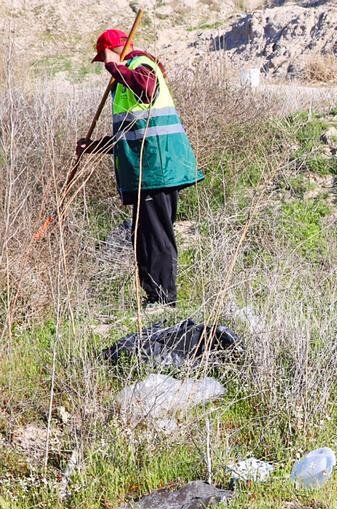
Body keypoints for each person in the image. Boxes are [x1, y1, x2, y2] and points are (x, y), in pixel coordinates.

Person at [78, 28, 203, 308]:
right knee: (144, 236)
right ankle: (154, 296)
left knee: (155, 236)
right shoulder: (125, 78)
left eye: (104, 56)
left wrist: (115, 66)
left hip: (156, 169)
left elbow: (147, 90)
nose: (103, 64)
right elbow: (129, 135)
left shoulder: (140, 65)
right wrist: (93, 147)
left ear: (115, 49)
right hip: (145, 171)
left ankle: (164, 299)